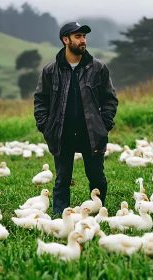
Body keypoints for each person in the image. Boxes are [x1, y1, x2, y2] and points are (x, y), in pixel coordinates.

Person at [34, 22, 118, 215]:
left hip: (91, 132)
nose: (83, 41)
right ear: (66, 40)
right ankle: (60, 218)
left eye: (84, 37)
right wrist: (45, 125)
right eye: (78, 36)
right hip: (61, 132)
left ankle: (97, 214)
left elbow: (109, 99)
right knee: (62, 179)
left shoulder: (98, 68)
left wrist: (104, 124)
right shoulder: (50, 71)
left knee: (97, 177)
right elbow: (40, 100)